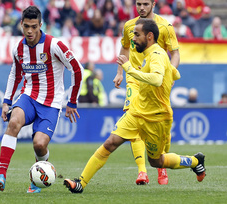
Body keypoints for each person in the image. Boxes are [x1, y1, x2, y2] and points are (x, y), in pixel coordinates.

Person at [63, 18, 206, 193]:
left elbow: (156, 79)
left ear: (150, 36)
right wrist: (171, 73)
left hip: (156, 118)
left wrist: (129, 69)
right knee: (110, 143)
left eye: (137, 35)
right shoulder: (151, 55)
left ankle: (195, 161)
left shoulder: (157, 55)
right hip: (137, 111)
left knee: (157, 161)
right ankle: (80, 183)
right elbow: (173, 73)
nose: (133, 39)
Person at [0, 6, 83, 193]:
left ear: (41, 25)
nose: (30, 31)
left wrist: (72, 101)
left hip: (51, 103)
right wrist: (7, 100)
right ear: (21, 25)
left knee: (39, 144)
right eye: (26, 26)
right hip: (29, 96)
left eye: (34, 26)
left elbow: (77, 68)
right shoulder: (18, 48)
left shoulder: (54, 45)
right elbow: (15, 74)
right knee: (14, 121)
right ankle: (1, 175)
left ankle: (38, 176)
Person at [112, 0, 180, 185]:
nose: (141, 8)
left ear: (154, 3)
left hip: (156, 80)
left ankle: (162, 166)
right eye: (138, 4)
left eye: (145, 4)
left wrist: (170, 74)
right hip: (134, 78)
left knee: (161, 125)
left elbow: (174, 52)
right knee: (133, 119)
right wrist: (119, 72)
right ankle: (142, 171)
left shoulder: (165, 26)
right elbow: (125, 46)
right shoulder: (129, 26)